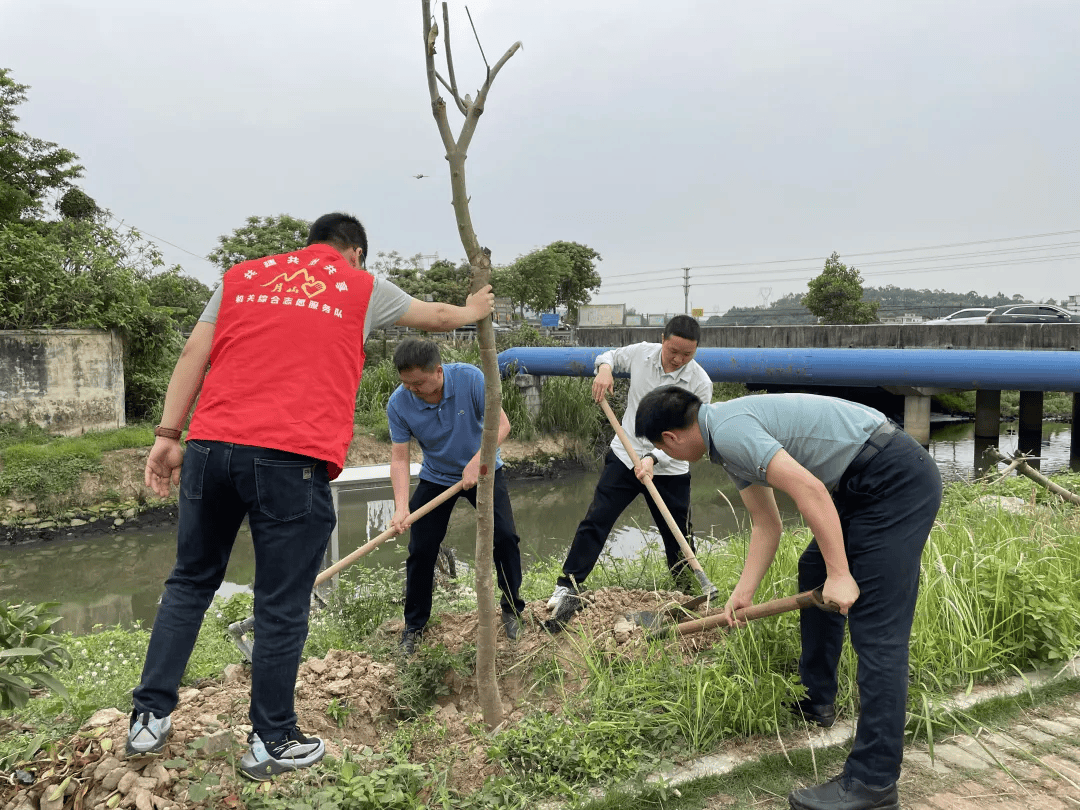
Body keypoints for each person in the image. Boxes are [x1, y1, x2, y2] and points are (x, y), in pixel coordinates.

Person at [128, 213, 495, 781]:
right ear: (355, 252)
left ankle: (148, 716)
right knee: (281, 601)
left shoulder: (241, 276)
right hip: (287, 459)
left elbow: (192, 357)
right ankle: (272, 739)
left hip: (209, 448)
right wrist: (474, 309)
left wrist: (167, 437)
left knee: (189, 580)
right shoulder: (359, 285)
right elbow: (438, 317)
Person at [634, 385, 943, 810]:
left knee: (878, 633)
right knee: (811, 570)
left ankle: (874, 784)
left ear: (670, 438)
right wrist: (743, 594)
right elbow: (767, 524)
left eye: (658, 446)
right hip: (860, 484)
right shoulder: (724, 438)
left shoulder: (730, 431)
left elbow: (811, 490)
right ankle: (818, 699)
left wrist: (841, 575)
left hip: (894, 480)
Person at [546, 315, 713, 613]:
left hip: (670, 466)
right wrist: (605, 369)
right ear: (663, 339)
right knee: (596, 520)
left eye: (687, 355)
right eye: (673, 351)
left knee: (677, 535)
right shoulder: (641, 353)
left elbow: (693, 438)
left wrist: (653, 458)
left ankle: (689, 594)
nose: (678, 359)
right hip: (626, 454)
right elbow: (608, 356)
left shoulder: (700, 383)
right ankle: (567, 585)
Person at [387, 337, 526, 655]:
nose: (412, 389)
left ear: (438, 371)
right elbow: (399, 458)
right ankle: (414, 626)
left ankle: (512, 609)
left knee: (504, 537)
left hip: (485, 469)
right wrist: (400, 508)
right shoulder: (399, 403)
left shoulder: (471, 379)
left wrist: (479, 460)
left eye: (418, 383)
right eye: (406, 384)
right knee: (421, 549)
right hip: (436, 477)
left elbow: (501, 425)